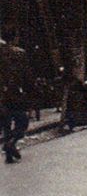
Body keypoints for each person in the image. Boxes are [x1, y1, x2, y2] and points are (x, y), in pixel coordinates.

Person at [0, 31, 32, 165]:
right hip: (15, 93)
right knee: (22, 120)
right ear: (15, 38)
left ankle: (8, 154)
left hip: (2, 94)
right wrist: (30, 92)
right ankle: (11, 143)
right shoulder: (20, 53)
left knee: (6, 124)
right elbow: (26, 76)